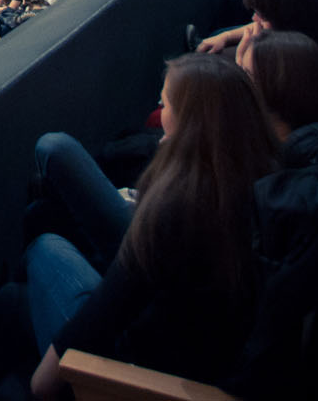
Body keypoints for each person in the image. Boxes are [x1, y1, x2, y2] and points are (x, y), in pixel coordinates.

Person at [22, 55, 280, 397]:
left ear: (187, 123)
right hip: (199, 340)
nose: (160, 109)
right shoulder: (257, 178)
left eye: (166, 103)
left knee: (45, 247)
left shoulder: (173, 214)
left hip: (133, 378)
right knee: (49, 191)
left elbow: (47, 381)